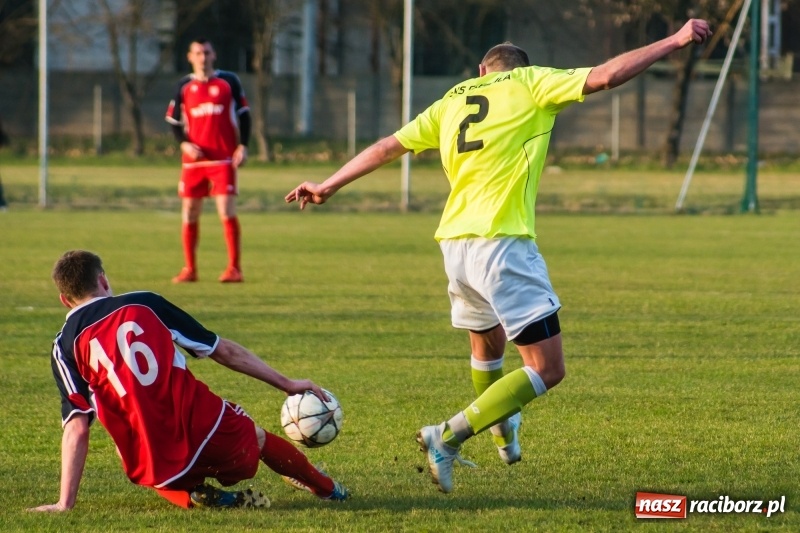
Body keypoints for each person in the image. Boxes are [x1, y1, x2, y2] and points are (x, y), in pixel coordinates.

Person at [285, 20, 712, 493]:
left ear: (482, 69)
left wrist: (327, 185)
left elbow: (389, 146)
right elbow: (607, 76)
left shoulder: (452, 98)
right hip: (503, 245)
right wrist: (674, 41)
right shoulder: (532, 84)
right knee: (548, 368)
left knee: (486, 350)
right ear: (522, 69)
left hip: (455, 247)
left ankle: (503, 433)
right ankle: (445, 437)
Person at [29, 250, 349, 512]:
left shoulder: (64, 345)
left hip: (154, 459)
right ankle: (327, 489)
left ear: (64, 300)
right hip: (205, 429)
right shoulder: (144, 303)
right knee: (258, 438)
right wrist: (286, 383)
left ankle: (189, 494)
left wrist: (63, 503)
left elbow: (77, 427)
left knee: (129, 446)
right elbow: (221, 350)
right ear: (103, 279)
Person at [166, 39, 250, 284]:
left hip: (223, 158)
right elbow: (172, 120)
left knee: (226, 209)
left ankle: (234, 268)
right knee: (190, 212)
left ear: (214, 55)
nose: (203, 57)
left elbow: (244, 115)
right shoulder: (184, 86)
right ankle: (190, 269)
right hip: (194, 162)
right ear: (190, 57)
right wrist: (184, 143)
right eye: (198, 53)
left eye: (207, 52)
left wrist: (243, 145)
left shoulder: (228, 82)